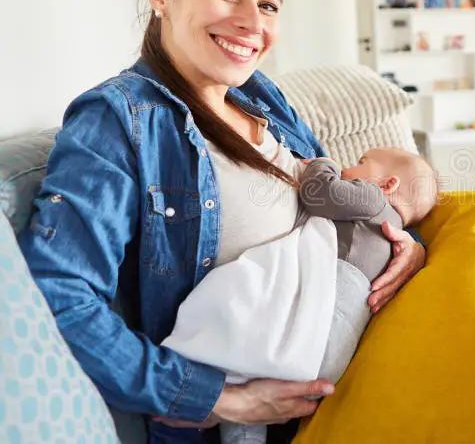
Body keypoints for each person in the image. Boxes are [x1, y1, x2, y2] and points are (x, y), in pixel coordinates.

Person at [16, 0, 475, 442]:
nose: (251, 20)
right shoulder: (118, 121)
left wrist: (406, 248)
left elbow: (344, 200)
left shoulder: (259, 97)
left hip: (349, 328)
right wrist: (221, 400)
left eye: (269, 3)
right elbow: (61, 298)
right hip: (280, 402)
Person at [163, 148, 439, 444]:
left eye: (361, 162)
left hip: (314, 331)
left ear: (388, 185)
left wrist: (323, 164)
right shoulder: (392, 235)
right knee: (255, 404)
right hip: (329, 361)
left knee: (246, 344)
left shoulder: (371, 200)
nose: (348, 166)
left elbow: (319, 192)